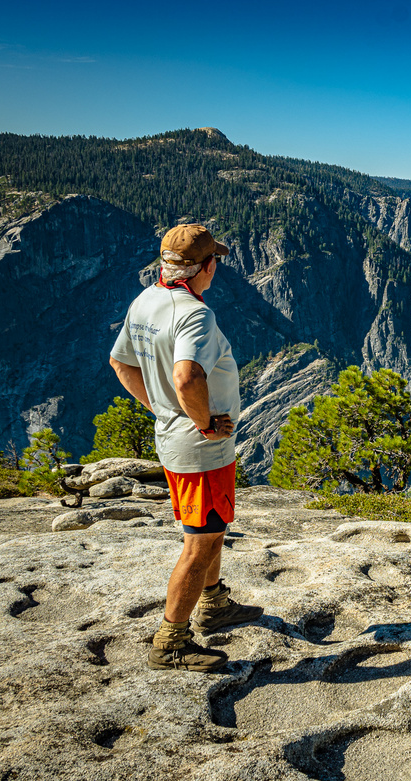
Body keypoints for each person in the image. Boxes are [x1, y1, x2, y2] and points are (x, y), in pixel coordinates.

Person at [109, 223, 262, 671]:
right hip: (201, 450)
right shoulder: (194, 314)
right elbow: (186, 376)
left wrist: (162, 410)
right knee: (200, 541)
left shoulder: (146, 300)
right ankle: (171, 639)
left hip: (176, 441)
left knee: (210, 528)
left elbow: (120, 362)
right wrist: (204, 422)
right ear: (208, 265)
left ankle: (213, 604)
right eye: (216, 259)